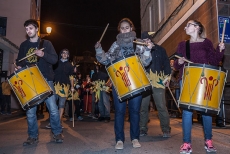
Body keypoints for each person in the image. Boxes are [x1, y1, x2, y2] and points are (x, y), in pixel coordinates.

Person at [95, 18, 152, 150]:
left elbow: (145, 62)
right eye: (122, 28)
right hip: (119, 82)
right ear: (119, 30)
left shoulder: (138, 43)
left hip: (136, 83)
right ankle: (119, 139)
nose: (125, 29)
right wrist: (99, 50)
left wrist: (148, 50)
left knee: (134, 112)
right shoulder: (116, 44)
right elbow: (106, 59)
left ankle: (135, 138)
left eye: (127, 27)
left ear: (131, 28)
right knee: (119, 112)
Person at [174, 20, 225, 154]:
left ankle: (208, 141)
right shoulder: (182, 45)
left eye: (188, 25)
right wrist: (178, 62)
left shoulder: (206, 43)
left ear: (197, 27)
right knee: (187, 112)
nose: (185, 27)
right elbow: (176, 66)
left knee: (206, 111)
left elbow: (214, 61)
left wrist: (220, 50)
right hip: (186, 80)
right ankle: (186, 143)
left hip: (203, 80)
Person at [15, 19, 63, 145]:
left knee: (53, 109)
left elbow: (54, 60)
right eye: (26, 29)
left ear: (36, 29)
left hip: (46, 79)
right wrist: (19, 67)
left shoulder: (46, 44)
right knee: (30, 111)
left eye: (30, 28)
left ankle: (57, 133)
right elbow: (19, 61)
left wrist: (43, 54)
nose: (28, 31)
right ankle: (32, 136)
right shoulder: (24, 45)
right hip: (30, 81)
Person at [139, 31, 171, 137]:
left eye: (147, 39)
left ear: (151, 39)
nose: (146, 42)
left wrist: (167, 78)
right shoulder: (140, 51)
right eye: (143, 40)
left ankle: (166, 129)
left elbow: (166, 64)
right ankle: (142, 128)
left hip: (158, 81)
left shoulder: (160, 49)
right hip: (144, 81)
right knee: (143, 107)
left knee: (161, 106)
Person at [46, 49, 74, 128]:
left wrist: (72, 86)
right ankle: (52, 122)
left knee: (61, 105)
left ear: (68, 55)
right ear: (61, 54)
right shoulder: (56, 63)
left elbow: (71, 77)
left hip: (65, 87)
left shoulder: (70, 65)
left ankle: (58, 123)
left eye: (66, 53)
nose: (65, 54)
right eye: (63, 53)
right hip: (55, 86)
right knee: (53, 105)